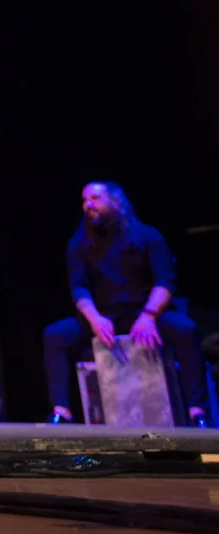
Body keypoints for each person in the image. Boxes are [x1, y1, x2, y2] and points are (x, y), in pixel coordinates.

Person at [43, 181, 208, 426]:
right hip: (105, 318)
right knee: (55, 335)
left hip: (146, 314)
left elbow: (165, 282)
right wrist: (95, 318)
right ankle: (62, 412)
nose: (88, 205)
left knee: (186, 330)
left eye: (95, 199)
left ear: (116, 202)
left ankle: (197, 411)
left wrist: (149, 315)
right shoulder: (79, 243)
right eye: (84, 201)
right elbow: (79, 288)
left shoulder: (148, 236)